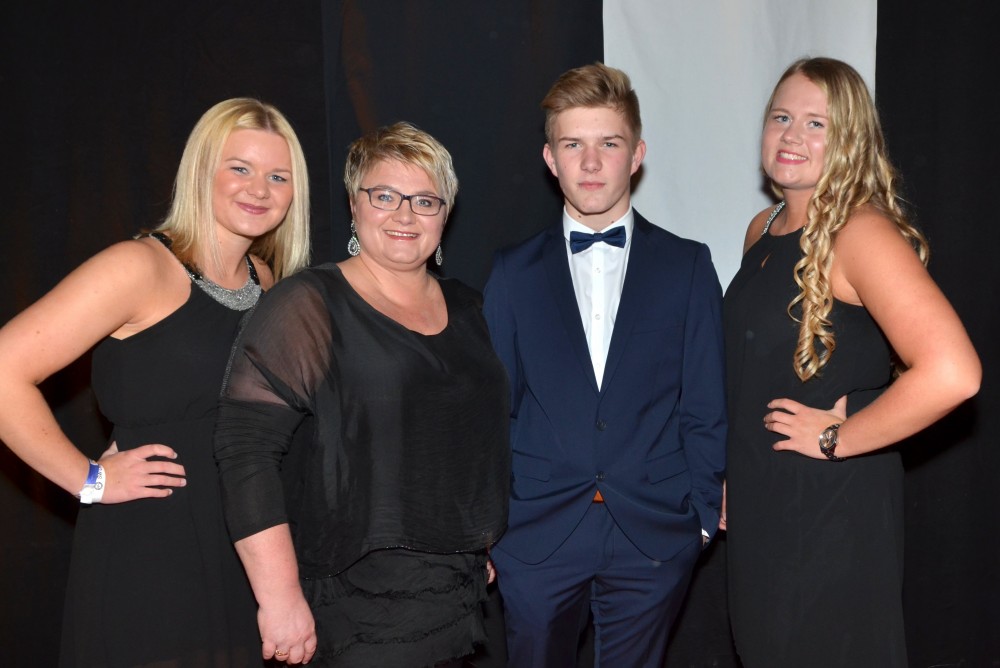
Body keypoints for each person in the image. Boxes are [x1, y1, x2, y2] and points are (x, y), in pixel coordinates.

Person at [0, 97, 311, 666]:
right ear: (202, 172)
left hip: (244, 545)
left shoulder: (266, 282)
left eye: (278, 176)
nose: (259, 189)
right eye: (240, 167)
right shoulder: (139, 268)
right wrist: (89, 480)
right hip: (152, 549)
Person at [214, 121, 510, 667]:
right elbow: (245, 452)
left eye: (425, 201)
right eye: (385, 196)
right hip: (358, 596)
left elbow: (472, 437)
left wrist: (479, 533)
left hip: (454, 587)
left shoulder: (469, 306)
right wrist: (279, 598)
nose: (405, 215)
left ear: (445, 214)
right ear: (355, 204)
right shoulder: (309, 303)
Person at [722, 57, 981, 668]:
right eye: (781, 117)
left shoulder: (860, 233)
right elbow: (755, 373)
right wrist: (734, 474)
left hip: (831, 512)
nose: (792, 135)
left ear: (851, 141)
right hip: (764, 503)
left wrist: (838, 436)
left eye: (817, 123)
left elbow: (954, 372)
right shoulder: (762, 228)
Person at [482, 62, 726, 667]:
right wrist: (492, 530)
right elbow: (492, 412)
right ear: (550, 159)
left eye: (609, 144)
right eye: (573, 145)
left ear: (636, 155)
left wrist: (698, 520)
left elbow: (704, 404)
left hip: (652, 533)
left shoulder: (688, 266)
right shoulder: (512, 273)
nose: (591, 163)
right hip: (535, 536)